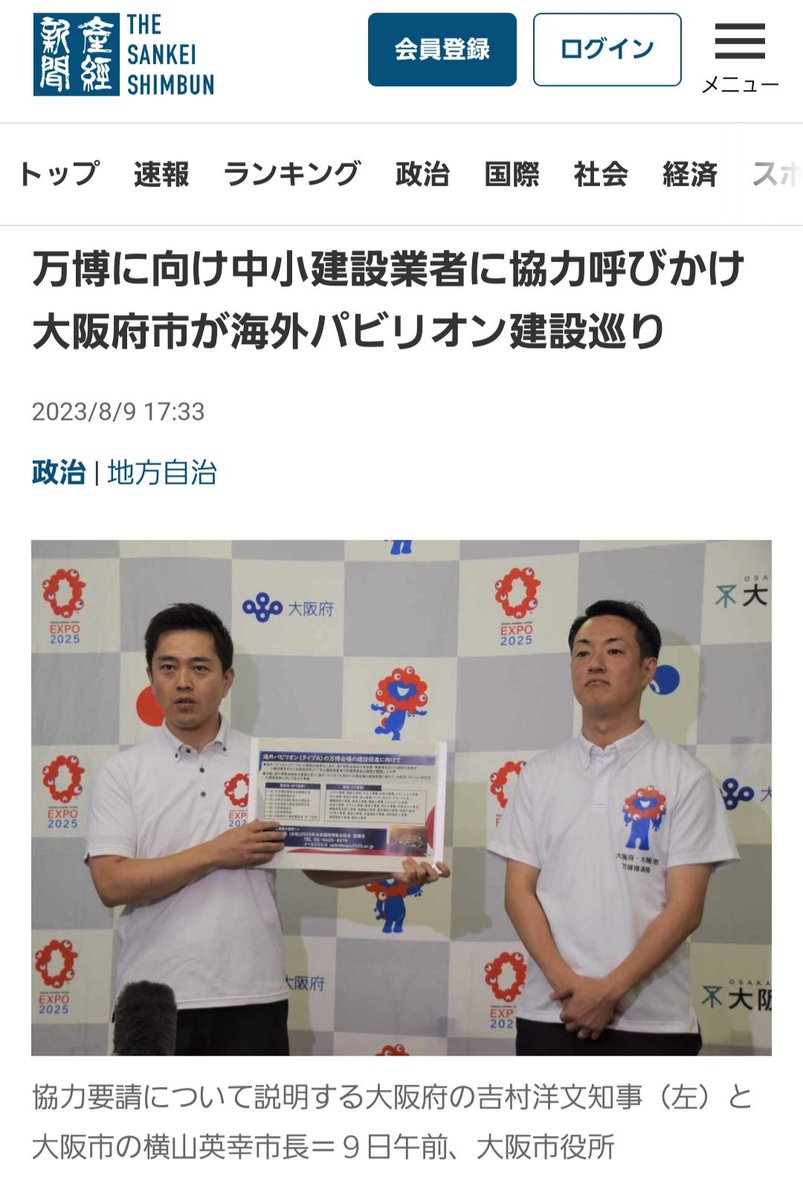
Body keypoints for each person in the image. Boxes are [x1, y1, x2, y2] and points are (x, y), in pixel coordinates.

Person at [86, 602, 448, 1056]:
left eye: (200, 667)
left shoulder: (269, 762)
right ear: (151, 677)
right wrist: (216, 852)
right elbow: (111, 883)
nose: (183, 682)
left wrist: (390, 866)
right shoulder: (122, 772)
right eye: (168, 667)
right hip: (153, 998)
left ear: (226, 680)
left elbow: (313, 865)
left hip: (253, 994)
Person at [488, 599, 738, 1056]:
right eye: (583, 652)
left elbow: (685, 908)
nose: (595, 663)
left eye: (614, 651)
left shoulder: (685, 776)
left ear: (648, 671)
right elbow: (518, 893)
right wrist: (571, 989)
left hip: (654, 1019)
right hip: (551, 1011)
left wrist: (609, 992)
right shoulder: (539, 774)